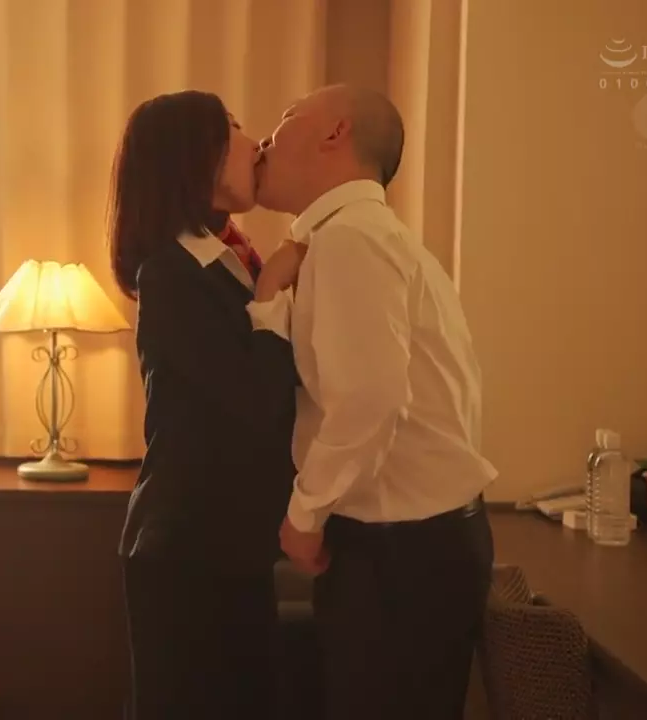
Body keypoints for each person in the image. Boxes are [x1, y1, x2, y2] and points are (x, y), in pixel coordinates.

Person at [256, 84, 498, 719]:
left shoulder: (352, 240)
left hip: (401, 554)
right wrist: (270, 295)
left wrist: (304, 516)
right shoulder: (357, 237)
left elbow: (369, 398)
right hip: (414, 546)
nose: (265, 140)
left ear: (335, 133)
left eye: (285, 118)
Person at [107, 89, 302, 720]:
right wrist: (270, 294)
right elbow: (252, 401)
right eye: (234, 128)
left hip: (226, 541)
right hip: (188, 548)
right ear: (196, 158)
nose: (255, 143)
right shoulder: (169, 274)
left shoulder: (224, 258)